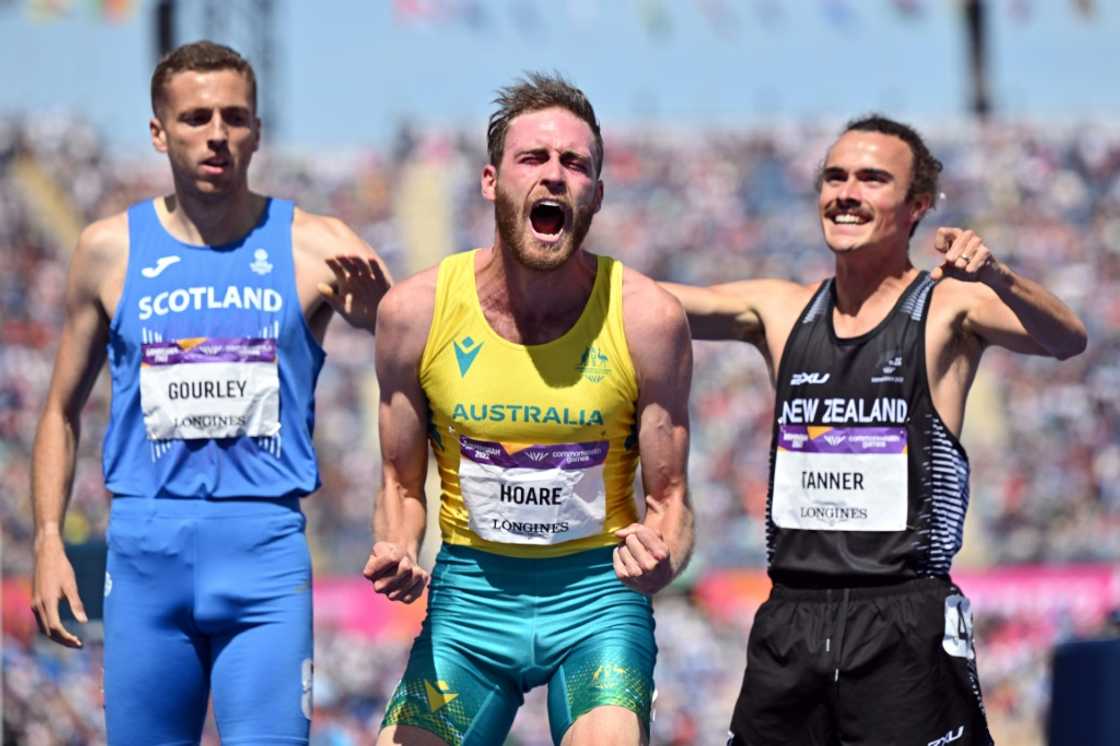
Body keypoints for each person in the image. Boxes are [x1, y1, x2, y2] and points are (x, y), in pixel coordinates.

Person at [663, 114, 1088, 746]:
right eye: (834, 177)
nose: (846, 192)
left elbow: (1066, 338)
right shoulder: (781, 308)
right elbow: (647, 302)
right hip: (792, 619)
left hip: (903, 619)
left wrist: (998, 275)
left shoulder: (948, 307)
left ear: (917, 205)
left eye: (871, 178)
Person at [29, 41, 391, 745]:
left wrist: (385, 318)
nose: (217, 134)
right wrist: (48, 540)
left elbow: (414, 360)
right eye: (196, 117)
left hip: (264, 552)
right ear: (159, 132)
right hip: (144, 555)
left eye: (235, 117)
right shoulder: (108, 250)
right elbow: (57, 413)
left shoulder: (317, 245)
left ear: (257, 129)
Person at [365, 73, 694, 746]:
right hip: (471, 606)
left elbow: (672, 499)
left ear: (596, 194)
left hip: (598, 601)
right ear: (492, 181)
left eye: (575, 164)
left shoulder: (647, 319)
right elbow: (400, 484)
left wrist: (668, 558)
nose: (554, 176)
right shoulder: (413, 314)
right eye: (533, 159)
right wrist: (398, 545)